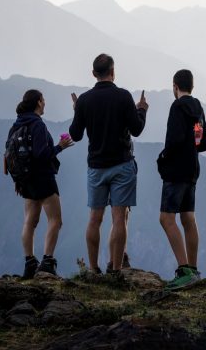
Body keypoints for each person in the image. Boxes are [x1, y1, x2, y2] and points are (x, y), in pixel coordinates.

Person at [69, 54, 148, 277]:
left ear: (94, 74)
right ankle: (115, 269)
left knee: (95, 218)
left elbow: (75, 134)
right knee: (118, 218)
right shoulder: (123, 97)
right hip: (122, 165)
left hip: (96, 167)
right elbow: (137, 129)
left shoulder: (84, 100)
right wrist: (141, 109)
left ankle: (93, 269)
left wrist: (78, 111)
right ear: (113, 72)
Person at [5, 89, 73, 279]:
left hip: (25, 181)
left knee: (30, 221)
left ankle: (29, 262)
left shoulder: (15, 126)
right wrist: (60, 146)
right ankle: (47, 262)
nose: (45, 104)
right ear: (38, 103)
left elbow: (10, 156)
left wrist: (18, 180)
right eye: (43, 100)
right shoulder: (37, 125)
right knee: (55, 220)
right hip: (43, 178)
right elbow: (42, 154)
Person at [157, 69, 206, 290]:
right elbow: (204, 141)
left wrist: (164, 157)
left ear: (175, 86)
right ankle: (193, 268)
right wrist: (192, 146)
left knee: (166, 219)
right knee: (188, 218)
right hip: (192, 169)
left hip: (176, 171)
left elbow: (174, 138)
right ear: (192, 86)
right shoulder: (197, 108)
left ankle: (183, 270)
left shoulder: (177, 107)